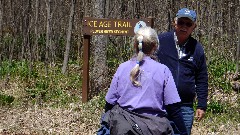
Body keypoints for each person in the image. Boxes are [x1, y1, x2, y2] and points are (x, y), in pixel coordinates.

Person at [97, 26, 187, 135]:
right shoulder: (163, 70)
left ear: (135, 45)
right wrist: (183, 132)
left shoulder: (122, 68)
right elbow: (174, 109)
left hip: (124, 128)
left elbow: (109, 104)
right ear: (155, 46)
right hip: (155, 129)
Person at [156, 8, 208, 135]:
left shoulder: (197, 48)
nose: (184, 26)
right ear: (175, 23)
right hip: (160, 104)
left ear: (194, 27)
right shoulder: (160, 41)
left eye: (188, 24)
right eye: (181, 22)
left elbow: (201, 78)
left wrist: (201, 105)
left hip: (184, 106)